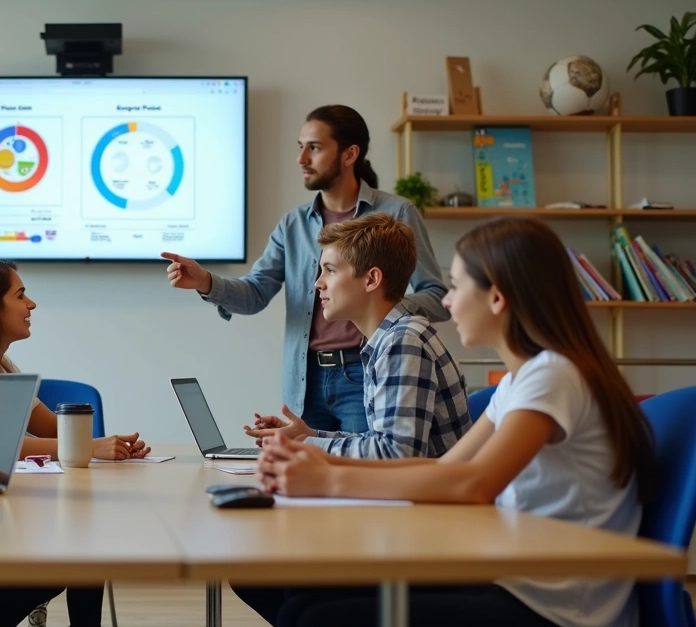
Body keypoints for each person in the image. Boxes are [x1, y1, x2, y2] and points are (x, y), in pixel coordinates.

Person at [252, 216, 656, 627]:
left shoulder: (553, 376)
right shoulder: (524, 379)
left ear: (496, 298)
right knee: (302, 603)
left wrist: (328, 478)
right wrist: (322, 463)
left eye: (458, 286)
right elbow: (448, 468)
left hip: (557, 608)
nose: (445, 301)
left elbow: (476, 484)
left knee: (312, 616)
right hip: (513, 577)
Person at [161, 105, 447, 434]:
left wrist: (383, 305)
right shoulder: (293, 224)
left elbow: (436, 297)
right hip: (304, 381)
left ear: (349, 154)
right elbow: (255, 294)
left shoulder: (397, 213)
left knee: (358, 475)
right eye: (301, 147)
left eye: (314, 147)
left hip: (366, 370)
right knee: (305, 476)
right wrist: (207, 282)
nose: (302, 159)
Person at [0, 258, 151, 627]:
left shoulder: (0, 368)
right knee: (70, 550)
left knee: (84, 542)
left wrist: (107, 444)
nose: (31, 304)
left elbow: (54, 429)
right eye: (21, 295)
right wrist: (85, 448)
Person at [241, 213, 471, 459]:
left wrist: (305, 444)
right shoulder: (389, 338)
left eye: (330, 270)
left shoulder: (403, 342)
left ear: (371, 279)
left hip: (430, 496)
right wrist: (305, 437)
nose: (318, 283)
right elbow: (381, 442)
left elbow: (395, 454)